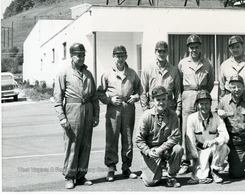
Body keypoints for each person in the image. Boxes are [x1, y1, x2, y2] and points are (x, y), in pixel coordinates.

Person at [53, 43, 99, 189]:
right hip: (72, 110)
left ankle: (81, 175)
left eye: (83, 55)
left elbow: (94, 96)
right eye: (78, 55)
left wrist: (96, 114)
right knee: (72, 144)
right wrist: (62, 117)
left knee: (85, 144)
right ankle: (70, 176)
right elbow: (57, 98)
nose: (81, 58)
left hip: (88, 110)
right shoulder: (64, 73)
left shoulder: (88, 74)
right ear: (72, 56)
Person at [97, 45, 142, 182]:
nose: (120, 59)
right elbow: (99, 92)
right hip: (113, 110)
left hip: (128, 109)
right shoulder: (107, 74)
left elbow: (140, 90)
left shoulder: (132, 73)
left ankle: (126, 167)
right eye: (117, 56)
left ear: (126, 56)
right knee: (112, 139)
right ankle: (111, 168)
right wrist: (109, 100)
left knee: (128, 139)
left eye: (122, 56)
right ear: (113, 57)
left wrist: (136, 97)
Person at [177, 34, 215, 175]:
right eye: (191, 47)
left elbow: (210, 83)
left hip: (202, 96)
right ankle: (186, 161)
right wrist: (187, 96)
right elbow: (179, 84)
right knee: (187, 130)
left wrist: (203, 94)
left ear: (200, 48)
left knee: (203, 128)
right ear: (188, 49)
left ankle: (202, 160)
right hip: (187, 96)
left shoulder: (207, 62)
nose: (194, 50)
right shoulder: (182, 63)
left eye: (196, 47)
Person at [135, 86, 183, 188]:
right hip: (151, 151)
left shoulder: (173, 115)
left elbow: (175, 136)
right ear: (153, 101)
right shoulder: (146, 116)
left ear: (167, 99)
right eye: (158, 100)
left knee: (178, 149)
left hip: (165, 149)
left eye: (163, 99)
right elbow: (139, 139)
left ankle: (171, 176)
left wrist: (161, 149)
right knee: (150, 182)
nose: (161, 103)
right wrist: (148, 151)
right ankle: (150, 170)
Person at [186, 90, 229, 184]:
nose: (204, 106)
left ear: (210, 104)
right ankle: (204, 169)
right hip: (200, 150)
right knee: (200, 177)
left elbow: (225, 136)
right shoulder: (191, 118)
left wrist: (214, 141)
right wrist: (195, 160)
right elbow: (190, 140)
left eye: (207, 103)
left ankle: (215, 171)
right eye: (201, 104)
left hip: (213, 148)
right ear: (197, 105)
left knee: (224, 147)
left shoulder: (217, 117)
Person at [140, 41, 181, 116]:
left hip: (169, 107)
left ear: (167, 52)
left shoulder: (174, 70)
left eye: (164, 51)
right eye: (159, 51)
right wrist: (145, 109)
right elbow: (142, 91)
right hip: (153, 107)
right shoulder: (148, 69)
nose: (161, 54)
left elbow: (178, 92)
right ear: (155, 52)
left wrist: (178, 109)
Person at [218, 35, 245, 103]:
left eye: (237, 47)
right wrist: (221, 105)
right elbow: (221, 87)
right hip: (230, 100)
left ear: (243, 47)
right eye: (232, 47)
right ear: (229, 49)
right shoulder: (225, 65)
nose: (235, 50)